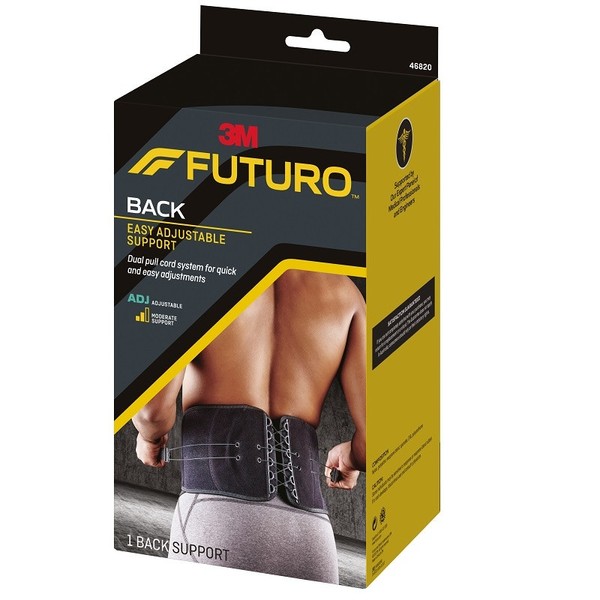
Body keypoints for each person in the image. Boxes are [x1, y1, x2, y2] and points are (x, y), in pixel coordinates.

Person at [133, 270, 365, 583]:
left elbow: (152, 411)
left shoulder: (197, 275)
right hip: (311, 541)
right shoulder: (346, 293)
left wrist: (150, 439)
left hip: (218, 523)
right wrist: (350, 458)